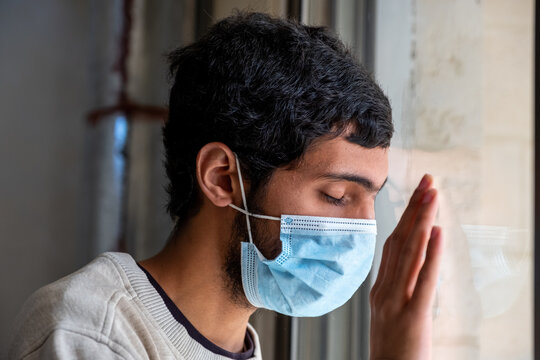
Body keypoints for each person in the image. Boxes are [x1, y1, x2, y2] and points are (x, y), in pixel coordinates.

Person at [9, 11, 442, 360]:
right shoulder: (91, 333)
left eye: (372, 199)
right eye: (336, 196)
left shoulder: (239, 347)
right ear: (221, 177)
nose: (363, 231)